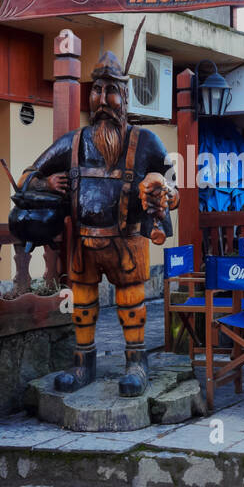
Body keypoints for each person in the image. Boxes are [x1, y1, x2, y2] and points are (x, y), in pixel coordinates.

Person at [22, 49, 178, 395]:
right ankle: (82, 366)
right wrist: (46, 183)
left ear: (124, 96)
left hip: (128, 239)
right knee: (83, 304)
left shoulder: (146, 141)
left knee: (131, 302)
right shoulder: (73, 142)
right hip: (84, 240)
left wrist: (163, 191)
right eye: (96, 90)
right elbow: (28, 176)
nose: (102, 100)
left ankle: (136, 364)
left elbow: (174, 186)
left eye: (110, 91)